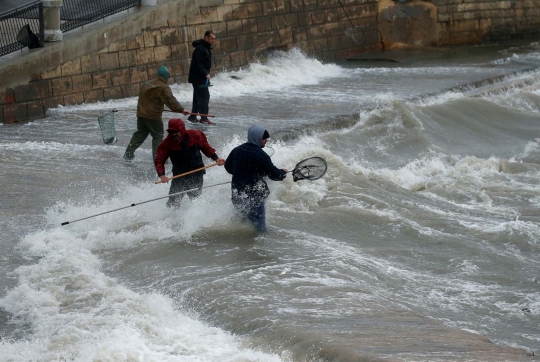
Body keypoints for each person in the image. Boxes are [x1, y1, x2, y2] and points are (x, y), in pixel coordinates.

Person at [224, 126, 288, 232]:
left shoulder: (236, 150)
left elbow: (228, 167)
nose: (266, 141)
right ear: (257, 138)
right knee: (260, 227)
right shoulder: (261, 155)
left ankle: (240, 245)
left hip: (237, 193)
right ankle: (260, 245)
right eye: (264, 138)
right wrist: (282, 172)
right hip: (255, 196)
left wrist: (241, 173)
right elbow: (274, 174)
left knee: (241, 222)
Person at [123, 65, 190, 161]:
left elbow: (150, 99)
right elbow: (170, 100)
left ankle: (128, 154)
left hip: (141, 114)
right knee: (158, 135)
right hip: (153, 116)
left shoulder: (147, 83)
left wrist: (158, 106)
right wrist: (182, 110)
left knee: (140, 135)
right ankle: (158, 158)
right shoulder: (163, 87)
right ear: (166, 77)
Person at [155, 118, 225, 208]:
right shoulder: (166, 143)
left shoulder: (195, 135)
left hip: (197, 172)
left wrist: (216, 158)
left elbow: (206, 148)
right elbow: (159, 160)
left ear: (182, 130)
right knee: (173, 201)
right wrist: (162, 175)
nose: (174, 134)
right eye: (171, 132)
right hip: (179, 174)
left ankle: (195, 218)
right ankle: (172, 220)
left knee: (195, 198)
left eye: (176, 132)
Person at [188, 30, 216, 125]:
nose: (213, 41)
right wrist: (205, 74)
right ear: (206, 37)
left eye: (214, 39)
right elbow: (198, 63)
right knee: (204, 96)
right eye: (211, 38)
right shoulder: (201, 48)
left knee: (197, 97)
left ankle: (192, 116)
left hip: (198, 78)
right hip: (198, 78)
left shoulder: (205, 47)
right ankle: (204, 118)